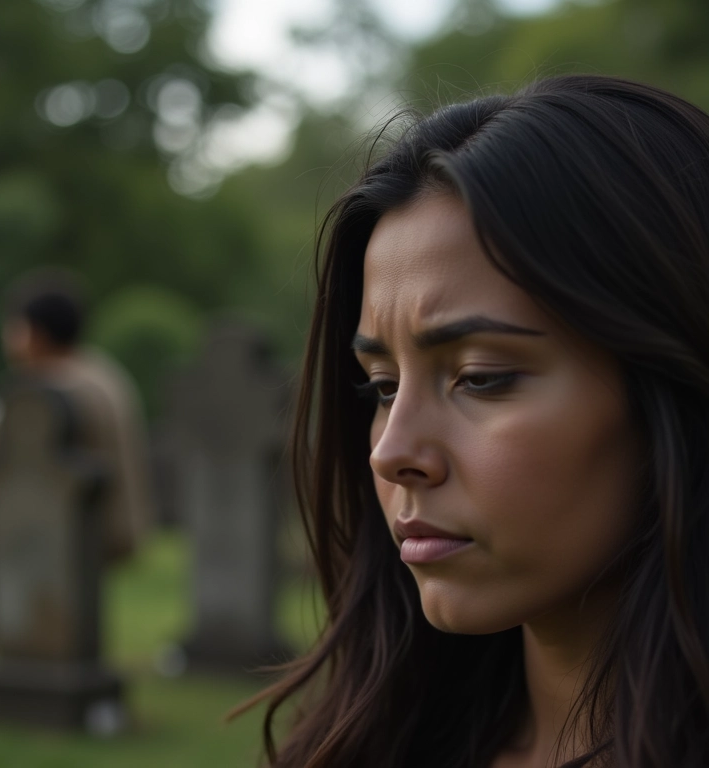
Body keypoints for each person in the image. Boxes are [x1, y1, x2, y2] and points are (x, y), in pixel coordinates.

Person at [247, 75, 709, 767]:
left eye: (482, 377)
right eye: (381, 385)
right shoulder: (368, 747)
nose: (392, 452)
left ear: (673, 389)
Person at [0, 270, 153, 562]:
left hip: (85, 536)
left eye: (13, 327)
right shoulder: (98, 371)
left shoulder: (56, 386)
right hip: (115, 527)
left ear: (33, 333)